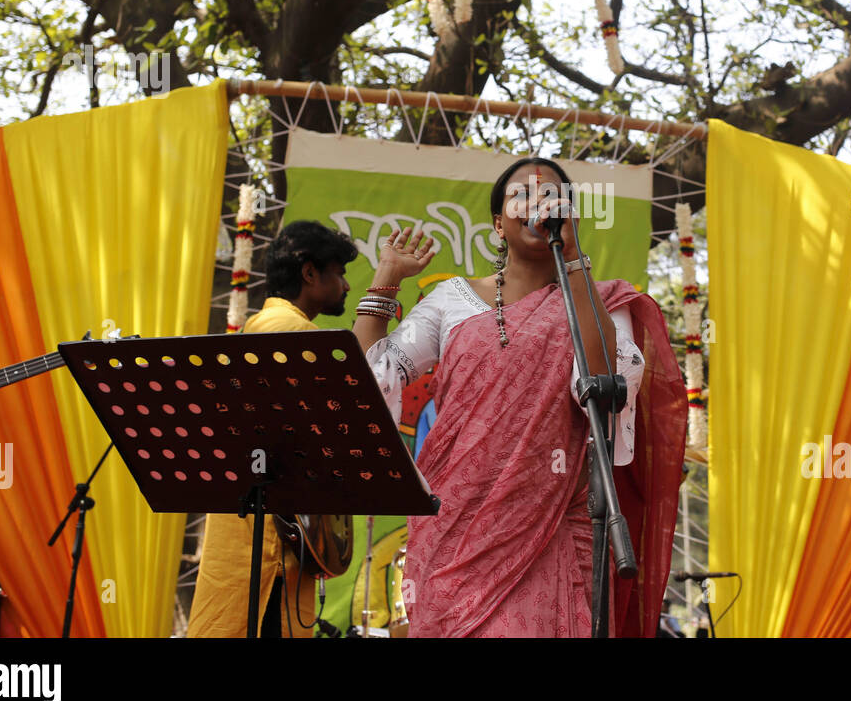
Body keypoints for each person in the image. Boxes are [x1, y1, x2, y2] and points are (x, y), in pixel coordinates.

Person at [352, 157, 688, 637]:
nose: (539, 204)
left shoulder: (604, 303)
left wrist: (572, 261)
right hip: (454, 527)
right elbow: (371, 377)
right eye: (523, 196)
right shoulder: (453, 299)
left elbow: (603, 382)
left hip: (550, 531)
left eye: (552, 196)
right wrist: (385, 278)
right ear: (497, 226)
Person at [188, 220, 358, 638]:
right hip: (266, 557)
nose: (347, 285)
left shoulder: (258, 326)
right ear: (309, 273)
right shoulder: (297, 332)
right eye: (339, 272)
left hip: (251, 548)